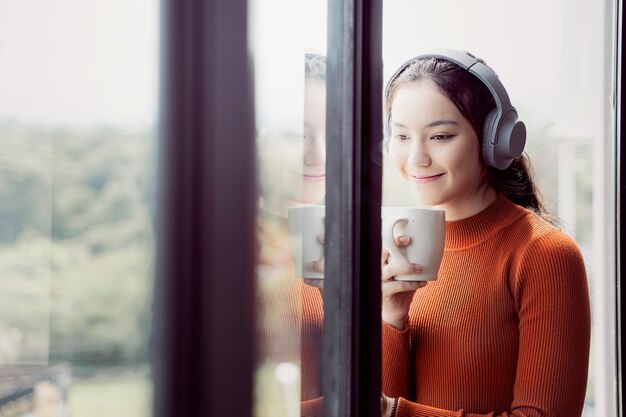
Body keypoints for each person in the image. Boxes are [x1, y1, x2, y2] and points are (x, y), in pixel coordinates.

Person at [379, 49, 591, 417]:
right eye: (401, 136)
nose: (416, 158)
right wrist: (391, 318)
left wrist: (395, 412)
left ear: (495, 139)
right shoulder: (400, 249)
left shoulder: (545, 255)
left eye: (440, 136)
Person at [255, 52, 326, 417]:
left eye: (335, 133)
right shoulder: (222, 242)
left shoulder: (352, 240)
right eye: (299, 134)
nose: (319, 154)